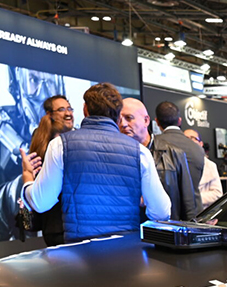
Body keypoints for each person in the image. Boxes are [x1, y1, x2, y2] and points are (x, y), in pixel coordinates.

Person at [21, 83, 170, 242]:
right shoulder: (140, 152)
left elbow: (41, 203)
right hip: (126, 251)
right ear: (118, 115)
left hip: (78, 252)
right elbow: (162, 212)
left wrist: (27, 177)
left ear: (85, 109)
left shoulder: (60, 146)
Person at [0, 67, 64, 245]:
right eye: (33, 80)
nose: (44, 93)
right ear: (17, 85)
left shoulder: (72, 142)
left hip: (70, 245)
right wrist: (16, 193)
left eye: (49, 82)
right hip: (33, 250)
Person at [120, 98, 197, 221]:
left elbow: (188, 204)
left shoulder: (173, 153)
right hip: (129, 232)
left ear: (146, 121)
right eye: (119, 119)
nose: (123, 124)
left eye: (129, 118)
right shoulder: (116, 156)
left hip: (164, 231)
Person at [27, 95, 75, 246]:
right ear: (49, 114)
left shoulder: (78, 137)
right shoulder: (42, 143)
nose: (68, 113)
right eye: (61, 109)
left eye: (69, 108)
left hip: (76, 223)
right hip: (55, 224)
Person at [154, 101, 205, 214]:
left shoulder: (155, 145)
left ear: (156, 121)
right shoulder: (198, 148)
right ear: (180, 120)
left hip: (168, 215)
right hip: (196, 213)